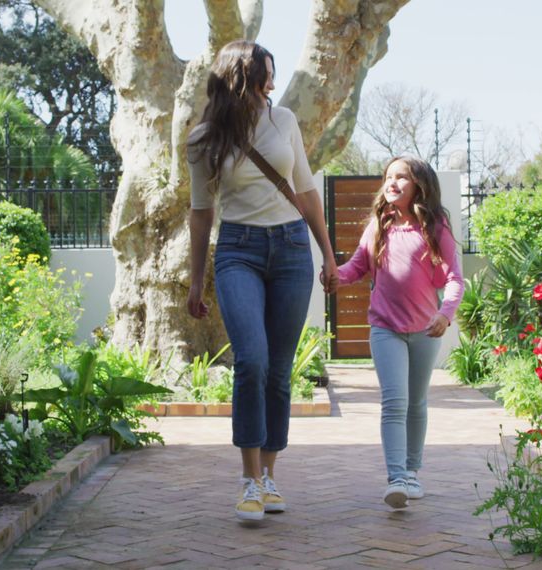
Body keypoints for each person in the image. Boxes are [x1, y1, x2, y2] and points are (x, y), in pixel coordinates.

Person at [186, 40, 338, 522]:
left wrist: (329, 257)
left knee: (278, 368)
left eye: (272, 76)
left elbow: (308, 193)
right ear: (239, 80)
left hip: (291, 249)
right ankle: (249, 481)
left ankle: (270, 476)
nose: (272, 86)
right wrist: (194, 283)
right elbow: (200, 213)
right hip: (238, 252)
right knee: (250, 360)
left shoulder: (284, 121)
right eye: (263, 77)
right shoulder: (204, 138)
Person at [336, 156, 464, 509]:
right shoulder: (379, 225)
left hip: (425, 330)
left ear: (419, 185)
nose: (392, 183)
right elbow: (357, 266)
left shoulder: (435, 228)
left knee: (416, 402)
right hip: (385, 328)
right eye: (388, 177)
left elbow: (455, 278)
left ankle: (412, 472)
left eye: (401, 177)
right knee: (394, 401)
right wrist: (335, 275)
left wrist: (445, 314)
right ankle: (396, 478)